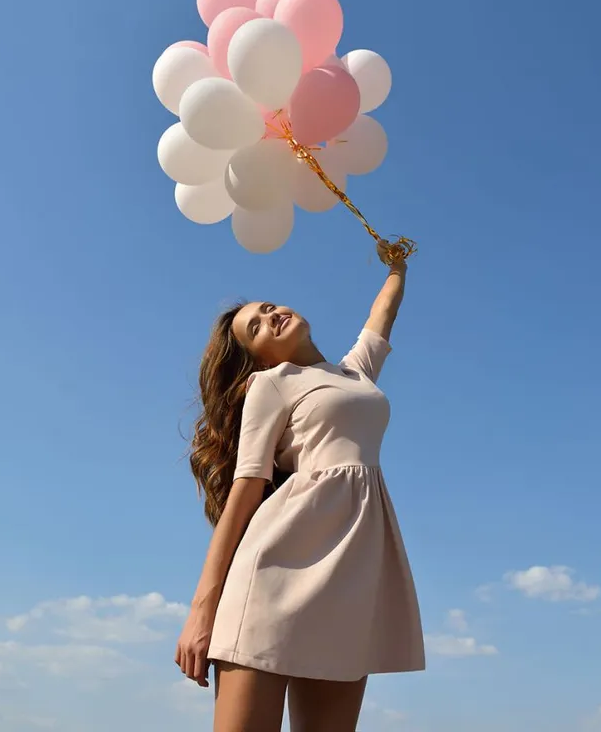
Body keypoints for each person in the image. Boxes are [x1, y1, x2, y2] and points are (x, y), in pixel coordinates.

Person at [175, 241, 425, 732]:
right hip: (274, 570)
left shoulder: (355, 373)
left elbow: (382, 318)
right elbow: (246, 491)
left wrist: (397, 266)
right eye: (257, 326)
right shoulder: (272, 385)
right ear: (259, 358)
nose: (271, 316)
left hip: (352, 572)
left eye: (269, 308)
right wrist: (201, 609)